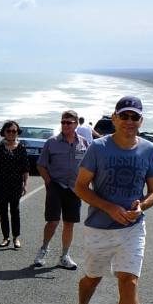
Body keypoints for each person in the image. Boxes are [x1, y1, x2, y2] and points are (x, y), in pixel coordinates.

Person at [71, 96, 153, 304]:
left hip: (132, 228)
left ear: (141, 121)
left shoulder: (149, 150)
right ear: (115, 118)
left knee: (129, 281)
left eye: (135, 117)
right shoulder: (98, 148)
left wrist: (141, 205)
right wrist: (109, 207)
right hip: (99, 226)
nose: (130, 122)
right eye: (125, 116)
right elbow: (81, 187)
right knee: (92, 278)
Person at [34, 109, 90, 270]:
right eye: (63, 122)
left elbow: (89, 166)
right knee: (52, 221)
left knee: (69, 223)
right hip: (56, 185)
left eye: (69, 122)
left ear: (76, 124)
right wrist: (48, 182)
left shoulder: (84, 143)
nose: (65, 125)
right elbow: (41, 164)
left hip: (74, 188)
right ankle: (43, 250)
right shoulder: (52, 142)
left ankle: (64, 256)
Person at [0, 120, 30, 249]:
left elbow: (25, 168)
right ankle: (6, 237)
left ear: (17, 132)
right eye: (8, 131)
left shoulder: (21, 148)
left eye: (14, 131)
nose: (11, 133)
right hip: (1, 183)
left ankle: (16, 237)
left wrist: (25, 184)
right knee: (3, 212)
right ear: (4, 132)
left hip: (16, 184)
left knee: (15, 211)